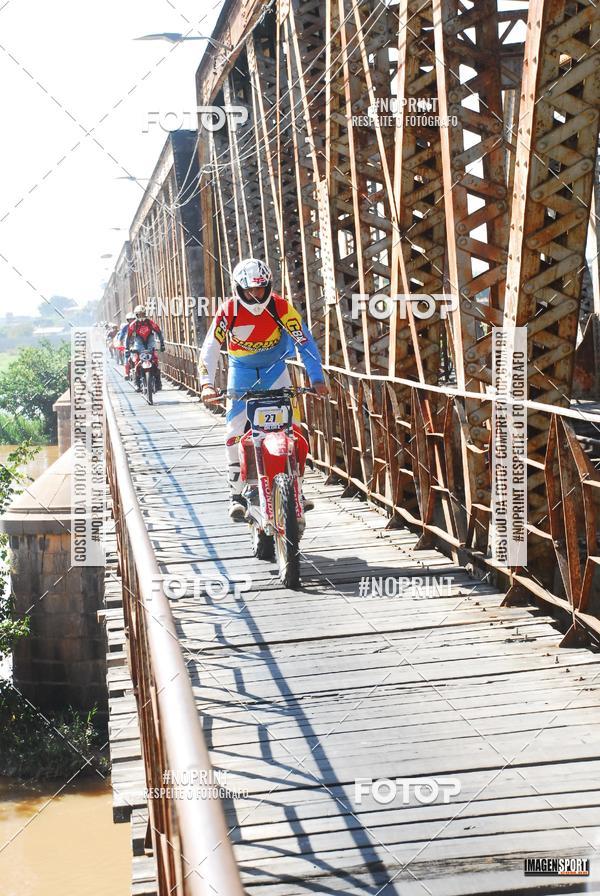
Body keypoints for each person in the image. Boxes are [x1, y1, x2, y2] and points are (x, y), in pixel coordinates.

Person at [199, 258, 328, 521]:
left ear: (268, 286)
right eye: (249, 290)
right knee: (234, 430)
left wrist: (317, 379)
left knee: (295, 429)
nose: (255, 295)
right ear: (238, 289)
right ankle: (235, 494)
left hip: (275, 371)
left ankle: (298, 490)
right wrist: (206, 383)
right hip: (241, 374)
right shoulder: (229, 311)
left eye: (260, 289)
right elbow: (210, 348)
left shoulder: (281, 307)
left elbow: (304, 342)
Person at [126, 305, 165, 391]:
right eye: (139, 315)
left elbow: (158, 332)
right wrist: (127, 348)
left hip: (150, 340)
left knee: (154, 360)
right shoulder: (133, 325)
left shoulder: (150, 323)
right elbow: (128, 337)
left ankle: (158, 382)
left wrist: (162, 344)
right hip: (139, 341)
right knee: (137, 361)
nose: (141, 316)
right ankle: (137, 383)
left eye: (143, 314)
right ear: (136, 315)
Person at [118, 311, 136, 375]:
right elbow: (121, 336)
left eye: (133, 319)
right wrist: (120, 343)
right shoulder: (125, 327)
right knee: (127, 356)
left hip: (137, 344)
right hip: (129, 344)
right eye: (130, 319)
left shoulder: (137, 325)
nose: (131, 321)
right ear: (128, 320)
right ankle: (127, 373)